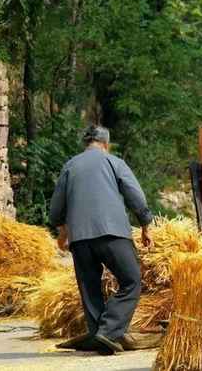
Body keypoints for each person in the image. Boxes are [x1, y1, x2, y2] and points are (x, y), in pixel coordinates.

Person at [49, 124, 153, 355]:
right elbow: (134, 193)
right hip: (112, 233)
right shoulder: (114, 162)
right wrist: (145, 224)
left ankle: (100, 335)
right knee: (131, 280)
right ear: (106, 144)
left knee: (90, 287)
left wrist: (62, 231)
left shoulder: (70, 166)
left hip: (81, 239)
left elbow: (56, 207)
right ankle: (108, 332)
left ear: (86, 143)